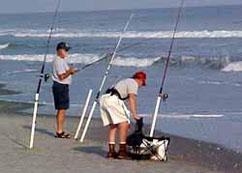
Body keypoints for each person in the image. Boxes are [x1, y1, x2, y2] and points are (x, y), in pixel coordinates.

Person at [99, 71, 147, 159]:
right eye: (142, 83)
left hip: (104, 99)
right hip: (113, 100)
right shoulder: (134, 83)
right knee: (124, 124)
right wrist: (134, 114)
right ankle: (122, 151)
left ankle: (111, 152)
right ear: (141, 80)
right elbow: (132, 98)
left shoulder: (126, 81)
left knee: (113, 125)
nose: (141, 86)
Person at [52, 42, 78, 138]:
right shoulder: (58, 61)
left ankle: (60, 130)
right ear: (59, 50)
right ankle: (59, 131)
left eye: (67, 50)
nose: (67, 52)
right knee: (61, 109)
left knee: (63, 109)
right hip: (60, 86)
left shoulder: (62, 60)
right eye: (65, 50)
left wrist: (71, 71)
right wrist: (70, 72)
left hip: (63, 86)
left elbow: (66, 73)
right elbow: (62, 77)